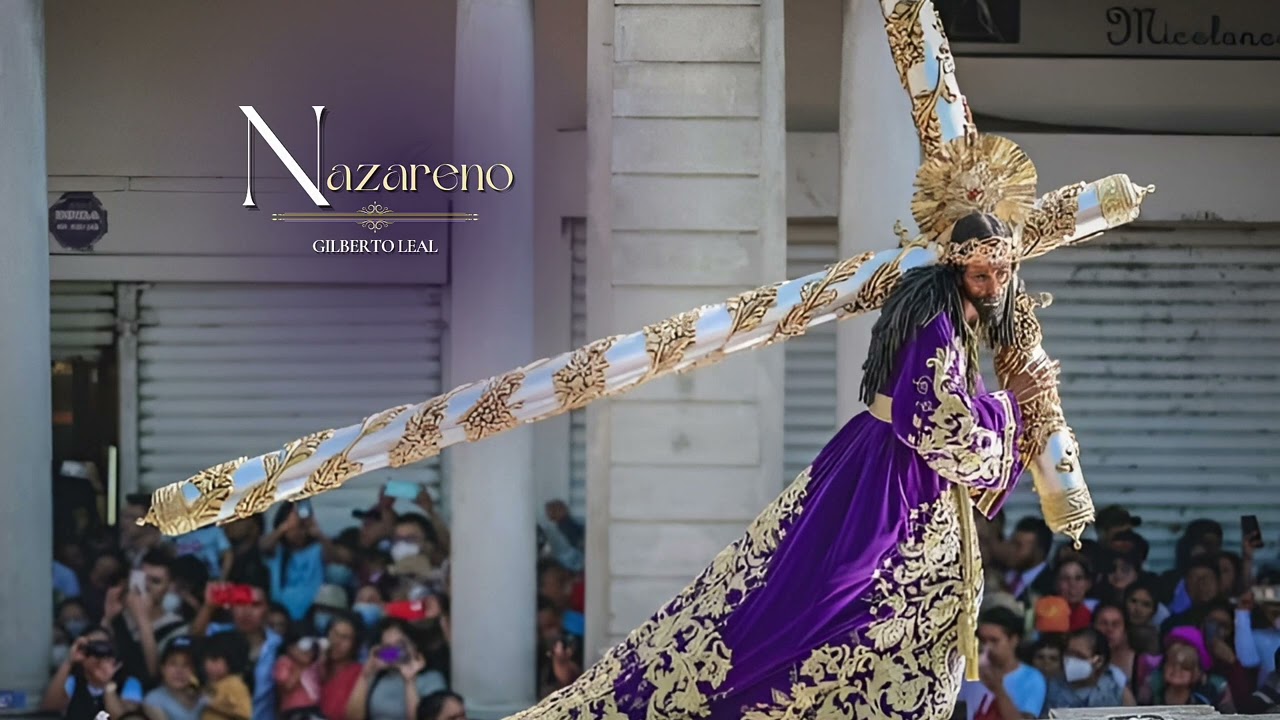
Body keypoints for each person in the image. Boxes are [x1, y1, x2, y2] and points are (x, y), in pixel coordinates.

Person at [506, 211, 1060, 718]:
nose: (992, 287)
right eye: (980, 275)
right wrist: (1012, 401)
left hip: (897, 474)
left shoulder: (956, 317)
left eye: (1001, 275)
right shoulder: (934, 314)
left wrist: (1009, 409)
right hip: (892, 481)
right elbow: (935, 421)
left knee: (840, 615)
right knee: (818, 609)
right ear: (955, 266)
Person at [958, 607, 1046, 720]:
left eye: (994, 640)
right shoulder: (967, 674)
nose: (987, 647)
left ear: (1013, 640)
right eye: (983, 641)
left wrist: (998, 690)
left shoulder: (1032, 678)